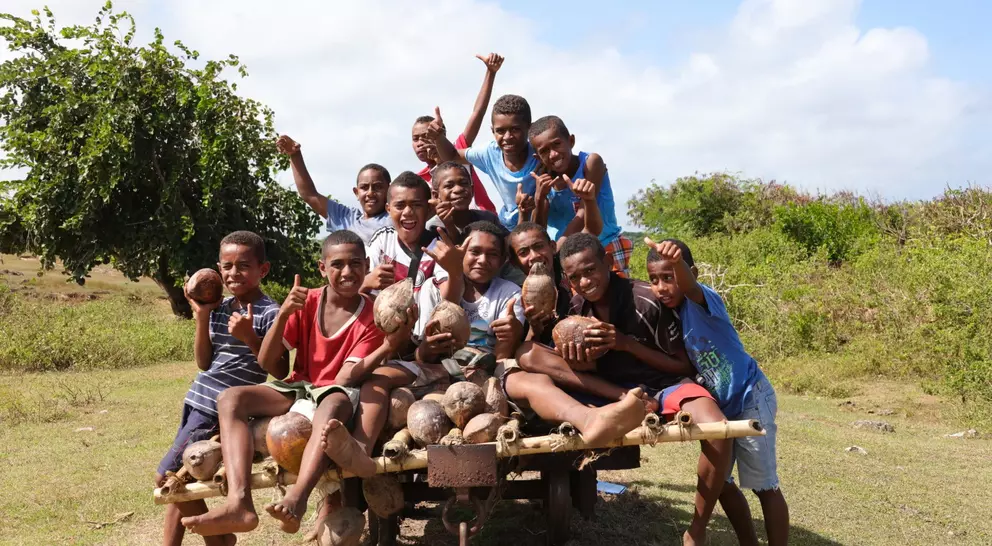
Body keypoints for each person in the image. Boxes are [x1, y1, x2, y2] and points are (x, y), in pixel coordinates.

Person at [179, 231, 414, 537]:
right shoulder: (308, 300)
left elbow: (345, 378)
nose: (347, 272)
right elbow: (269, 364)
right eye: (337, 264)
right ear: (322, 268)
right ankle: (240, 503)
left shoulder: (372, 312)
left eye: (355, 263)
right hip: (300, 387)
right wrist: (284, 314)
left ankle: (298, 499)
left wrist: (388, 346)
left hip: (341, 391)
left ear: (366, 264)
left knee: (331, 403)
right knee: (230, 399)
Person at [515, 233, 733, 546]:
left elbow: (683, 366)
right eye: (575, 277)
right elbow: (562, 362)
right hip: (610, 392)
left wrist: (624, 343)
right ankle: (621, 404)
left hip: (662, 386)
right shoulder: (574, 308)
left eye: (590, 270)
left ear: (609, 262)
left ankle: (696, 530)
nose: (585, 282)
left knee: (716, 428)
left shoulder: (646, 298)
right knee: (527, 352)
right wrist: (577, 357)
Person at [416, 221, 652, 445]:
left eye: (492, 254)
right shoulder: (434, 288)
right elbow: (423, 354)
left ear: (502, 262)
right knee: (528, 355)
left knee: (531, 372)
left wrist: (513, 336)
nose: (482, 260)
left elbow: (504, 357)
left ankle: (592, 418)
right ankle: (603, 409)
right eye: (474, 252)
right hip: (443, 371)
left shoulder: (521, 291)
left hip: (495, 372)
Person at [645, 237, 789, 546]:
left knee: (764, 486)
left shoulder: (703, 300)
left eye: (669, 277)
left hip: (751, 396)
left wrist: (677, 264)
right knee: (720, 483)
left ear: (691, 273)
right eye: (654, 279)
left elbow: (689, 286)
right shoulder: (673, 317)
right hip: (723, 407)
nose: (661, 287)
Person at [156, 231, 280, 546]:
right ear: (218, 267)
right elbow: (203, 362)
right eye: (227, 266)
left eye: (243, 266)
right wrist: (202, 316)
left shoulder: (269, 312)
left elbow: (277, 367)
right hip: (196, 402)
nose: (233, 273)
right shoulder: (219, 308)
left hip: (217, 410)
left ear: (262, 270)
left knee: (165, 477)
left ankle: (220, 539)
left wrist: (250, 336)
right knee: (179, 480)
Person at [427, 95, 575, 234]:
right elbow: (452, 156)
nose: (508, 137)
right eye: (500, 131)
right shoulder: (489, 153)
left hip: (546, 223)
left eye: (515, 129)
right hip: (510, 227)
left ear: (528, 128)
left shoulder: (540, 152)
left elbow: (565, 165)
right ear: (493, 131)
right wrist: (439, 137)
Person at [528, 115, 632, 276]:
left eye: (557, 144)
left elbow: (582, 213)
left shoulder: (590, 163)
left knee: (617, 296)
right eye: (544, 151)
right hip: (569, 257)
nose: (553, 154)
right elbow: (538, 229)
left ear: (571, 141)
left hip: (604, 245)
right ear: (538, 157)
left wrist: (560, 246)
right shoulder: (542, 180)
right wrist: (540, 198)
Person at [506, 176, 603, 341]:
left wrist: (589, 200)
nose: (534, 256)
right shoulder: (515, 292)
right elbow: (527, 347)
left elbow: (591, 230)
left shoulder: (566, 264)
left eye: (538, 247)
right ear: (515, 262)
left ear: (552, 246)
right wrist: (535, 330)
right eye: (523, 252)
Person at [413, 53, 501, 213]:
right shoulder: (419, 180)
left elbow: (478, 113)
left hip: (484, 225)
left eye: (427, 135)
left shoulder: (458, 151)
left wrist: (491, 73)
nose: (420, 143)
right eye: (415, 138)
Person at [276, 134, 391, 244]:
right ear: (356, 192)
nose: (370, 193)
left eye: (378, 187)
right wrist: (295, 154)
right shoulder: (346, 219)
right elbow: (310, 195)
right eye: (364, 188)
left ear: (390, 190)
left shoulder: (397, 219)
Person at [363, 172, 440, 294]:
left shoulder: (439, 246)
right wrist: (367, 282)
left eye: (416, 205)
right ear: (388, 209)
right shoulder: (383, 239)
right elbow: (356, 293)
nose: (408, 212)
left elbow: (450, 299)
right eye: (400, 205)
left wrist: (453, 273)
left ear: (429, 208)